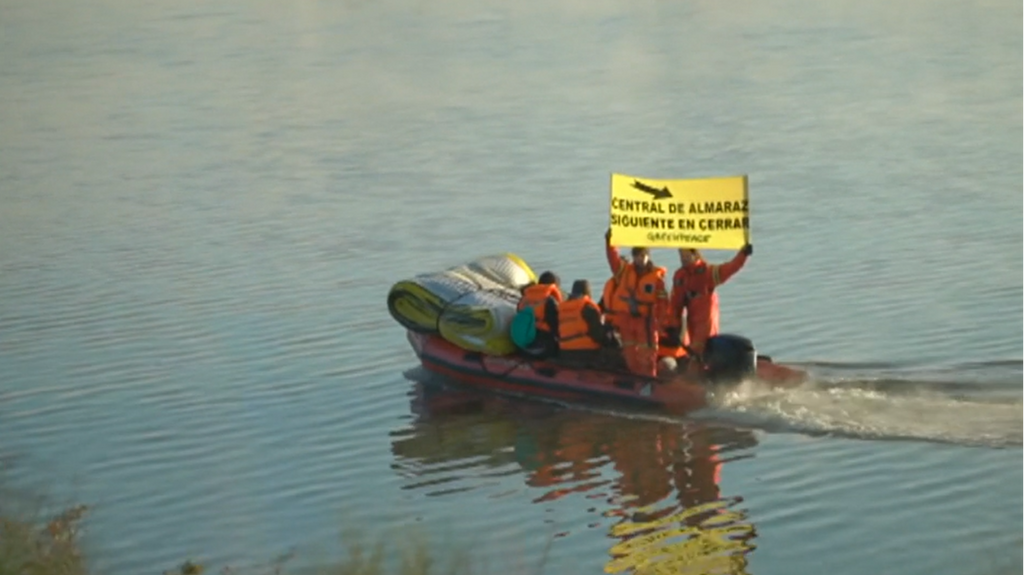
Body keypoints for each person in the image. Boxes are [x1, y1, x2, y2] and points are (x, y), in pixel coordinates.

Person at [666, 244, 753, 367]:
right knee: (693, 351)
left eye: (685, 255)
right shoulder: (680, 276)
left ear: (694, 254)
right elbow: (675, 304)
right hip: (693, 324)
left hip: (707, 323)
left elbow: (731, 268)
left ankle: (704, 372)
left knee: (702, 350)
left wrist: (743, 255)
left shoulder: (707, 273)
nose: (682, 258)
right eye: (680, 255)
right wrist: (672, 326)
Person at [603, 228, 669, 377]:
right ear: (633, 257)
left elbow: (663, 303)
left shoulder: (657, 279)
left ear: (648, 256)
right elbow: (613, 259)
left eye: (643, 255)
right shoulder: (624, 271)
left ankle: (649, 381)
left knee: (648, 355)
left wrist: (661, 323)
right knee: (630, 355)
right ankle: (635, 381)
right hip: (627, 320)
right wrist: (609, 242)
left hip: (646, 321)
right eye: (637, 256)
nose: (640, 259)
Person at [555, 279, 619, 369]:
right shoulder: (588, 309)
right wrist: (609, 331)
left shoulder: (561, 309)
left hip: (565, 353)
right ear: (588, 293)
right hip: (587, 354)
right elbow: (598, 336)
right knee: (619, 354)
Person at [517, 271, 562, 357]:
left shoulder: (524, 299)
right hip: (542, 347)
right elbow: (555, 327)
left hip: (522, 346)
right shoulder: (550, 301)